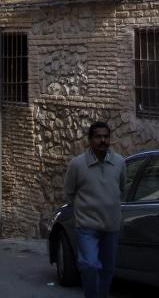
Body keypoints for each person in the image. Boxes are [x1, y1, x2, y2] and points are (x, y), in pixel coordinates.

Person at [63, 121, 125, 298]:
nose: (102, 140)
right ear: (90, 140)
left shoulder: (119, 162)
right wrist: (83, 208)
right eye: (98, 137)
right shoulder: (77, 164)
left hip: (111, 226)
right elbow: (69, 191)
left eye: (106, 137)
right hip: (87, 226)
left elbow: (122, 189)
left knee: (108, 269)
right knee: (90, 265)